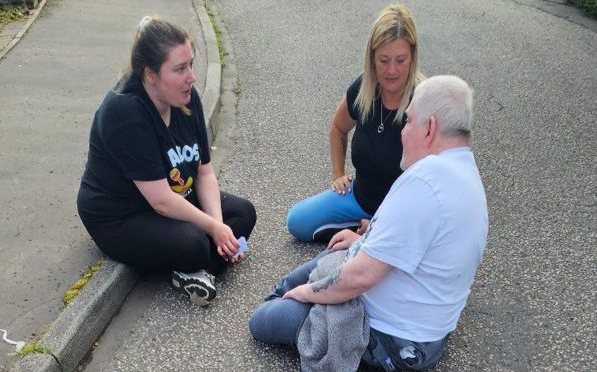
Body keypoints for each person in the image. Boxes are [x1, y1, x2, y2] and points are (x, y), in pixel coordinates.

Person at [250, 75, 489, 371]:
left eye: (409, 121)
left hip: (392, 339)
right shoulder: (465, 169)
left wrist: (307, 294)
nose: (402, 131)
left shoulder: (423, 182)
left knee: (262, 320)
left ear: (430, 128)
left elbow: (360, 277)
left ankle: (283, 298)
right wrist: (361, 241)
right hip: (428, 332)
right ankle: (284, 295)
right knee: (340, 249)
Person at [76, 16, 256, 307]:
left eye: (192, 65)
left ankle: (194, 272)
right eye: (180, 69)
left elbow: (204, 173)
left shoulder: (187, 99)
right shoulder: (125, 112)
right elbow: (160, 201)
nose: (192, 77)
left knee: (243, 214)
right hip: (120, 215)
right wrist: (213, 231)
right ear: (150, 74)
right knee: (194, 243)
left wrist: (219, 227)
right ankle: (194, 266)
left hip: (171, 199)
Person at [286, 4, 425, 243]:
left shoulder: (424, 99)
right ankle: (362, 232)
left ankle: (370, 235)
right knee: (296, 221)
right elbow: (338, 128)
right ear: (371, 57)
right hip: (360, 199)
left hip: (403, 214)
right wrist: (338, 174)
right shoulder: (363, 89)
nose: (392, 70)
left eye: (400, 60)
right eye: (383, 60)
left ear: (412, 56)